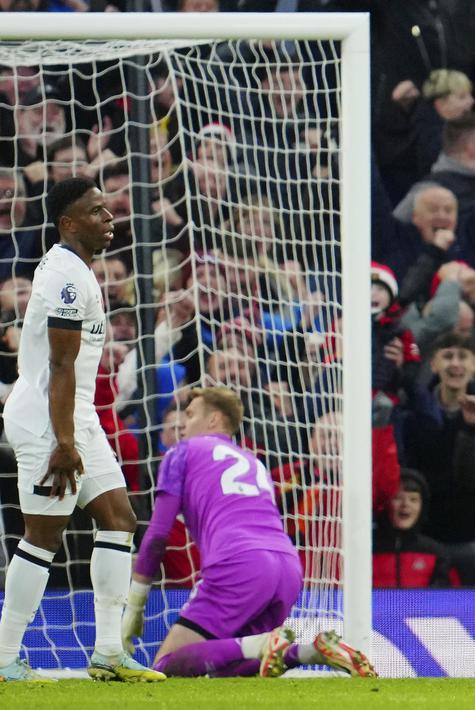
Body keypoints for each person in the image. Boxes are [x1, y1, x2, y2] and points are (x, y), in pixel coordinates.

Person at [0, 178, 163, 682]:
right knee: (44, 535)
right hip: (49, 421)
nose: (108, 217)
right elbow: (62, 365)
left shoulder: (75, 269)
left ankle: (109, 653)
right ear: (68, 223)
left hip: (77, 416)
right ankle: (5, 659)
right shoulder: (68, 280)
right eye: (96, 211)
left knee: (119, 519)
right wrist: (65, 443)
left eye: (107, 209)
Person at [121, 387, 375, 678]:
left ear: (214, 419)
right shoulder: (255, 463)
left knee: (169, 663)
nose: (182, 424)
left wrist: (135, 607)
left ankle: (268, 644)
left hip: (240, 562)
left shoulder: (183, 452)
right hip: (287, 568)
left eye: (190, 415)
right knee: (229, 664)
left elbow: (156, 536)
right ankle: (311, 651)